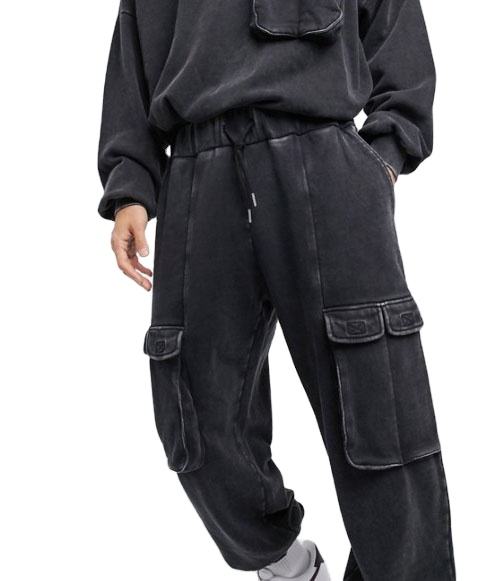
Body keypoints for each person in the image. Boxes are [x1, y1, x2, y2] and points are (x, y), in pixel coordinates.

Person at [98, 1, 455, 579]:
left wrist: (382, 159)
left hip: (324, 159)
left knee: (379, 413)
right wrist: (130, 188)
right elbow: (131, 59)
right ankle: (288, 566)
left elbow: (398, 38)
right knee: (193, 419)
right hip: (197, 170)